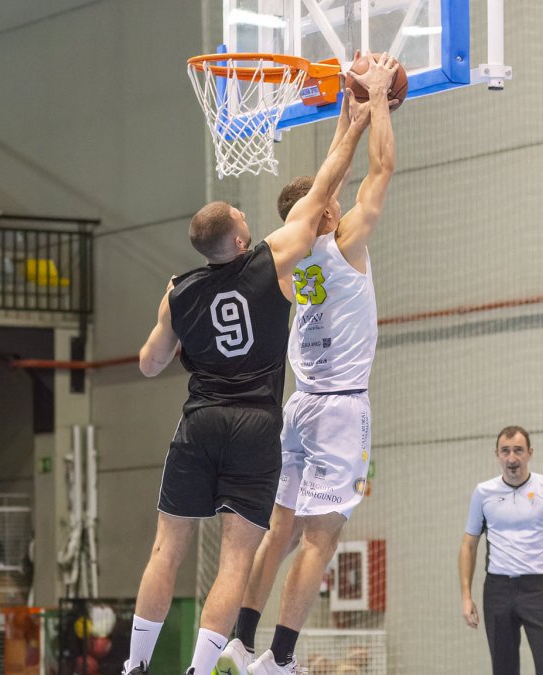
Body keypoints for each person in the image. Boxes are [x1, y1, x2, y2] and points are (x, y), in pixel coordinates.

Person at [122, 73, 374, 675]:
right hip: (258, 423)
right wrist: (358, 116)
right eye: (241, 212)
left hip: (199, 419)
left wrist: (182, 339)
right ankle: (204, 666)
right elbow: (329, 185)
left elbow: (149, 364)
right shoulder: (271, 261)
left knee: (167, 548)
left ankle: (135, 667)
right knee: (237, 559)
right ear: (241, 237)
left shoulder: (177, 293)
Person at [218, 52, 400, 675]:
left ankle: (241, 643)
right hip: (341, 407)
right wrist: (376, 102)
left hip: (297, 405)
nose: (339, 202)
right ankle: (282, 658)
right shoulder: (346, 241)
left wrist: (347, 117)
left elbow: (334, 177)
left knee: (280, 528)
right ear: (325, 213)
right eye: (332, 202)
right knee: (322, 537)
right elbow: (382, 166)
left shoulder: (285, 261)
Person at [460, 426, 543, 675]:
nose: (512, 458)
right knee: (504, 670)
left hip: (536, 589)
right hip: (497, 591)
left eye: (518, 450)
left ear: (530, 453)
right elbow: (468, 545)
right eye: (505, 451)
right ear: (497, 454)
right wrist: (465, 596)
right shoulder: (483, 493)